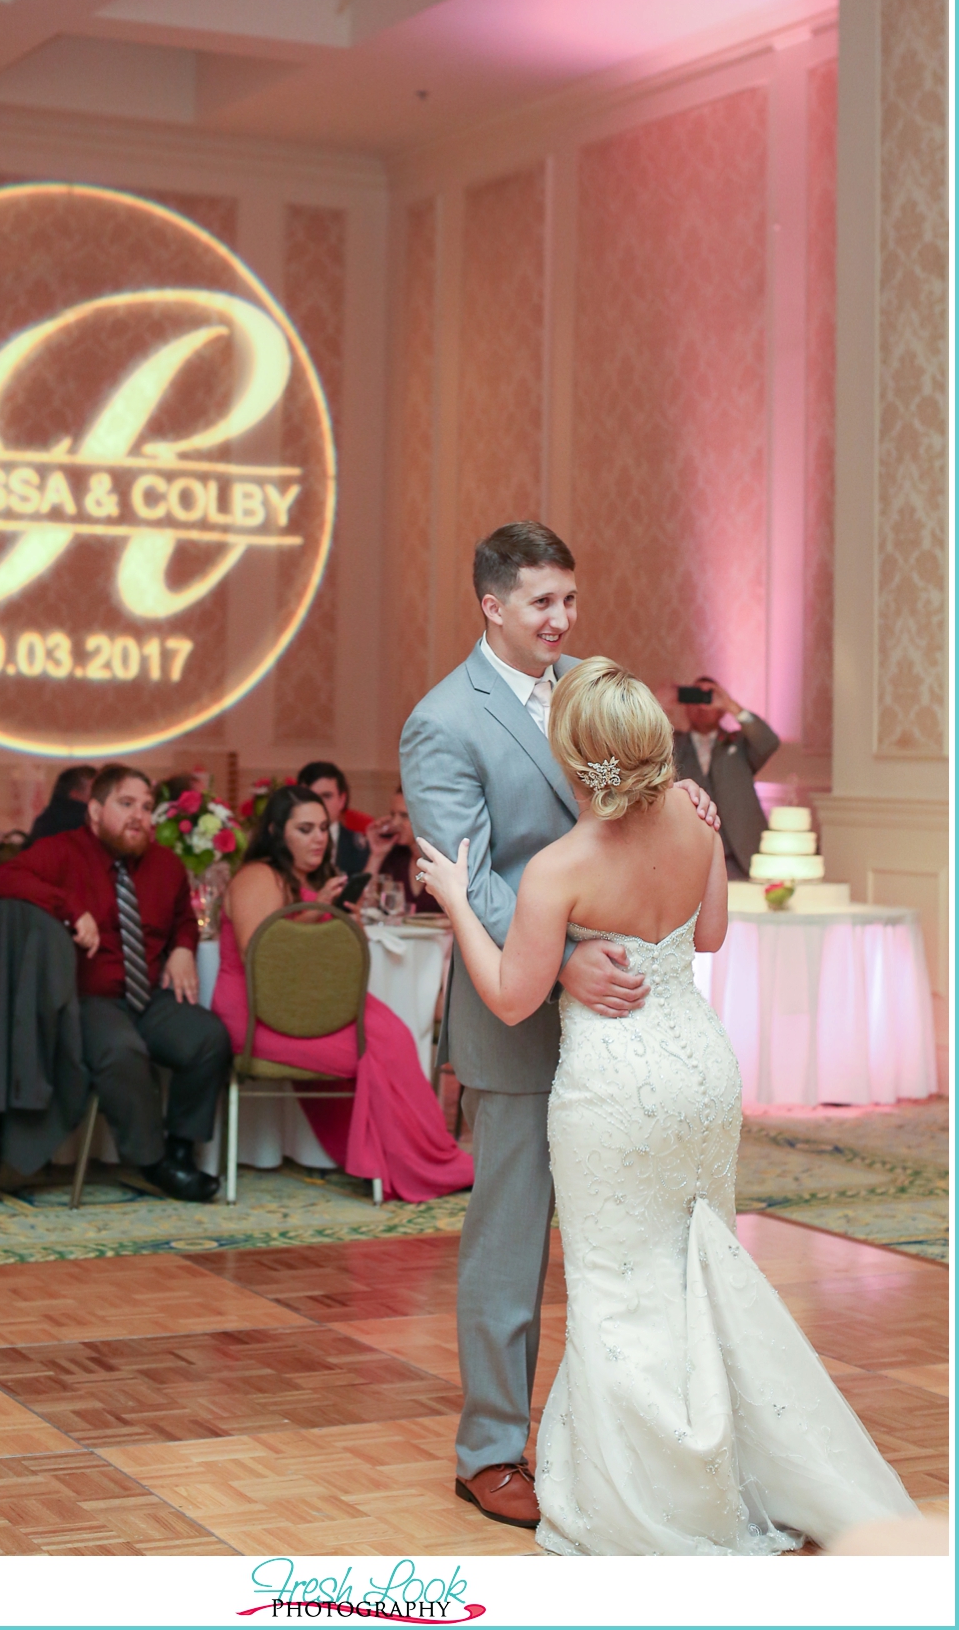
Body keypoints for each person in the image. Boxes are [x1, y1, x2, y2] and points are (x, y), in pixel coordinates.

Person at [416, 658, 917, 1555]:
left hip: (613, 1088)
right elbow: (714, 934)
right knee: (698, 1267)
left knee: (617, 1283)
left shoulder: (558, 867)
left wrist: (456, 900)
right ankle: (728, 1459)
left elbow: (508, 996)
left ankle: (654, 1487)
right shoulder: (694, 817)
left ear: (573, 756)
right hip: (701, 1069)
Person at [399, 520, 720, 1530]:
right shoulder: (442, 721)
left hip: (624, 1029)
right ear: (492, 605)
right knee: (511, 1235)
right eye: (542, 602)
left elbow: (639, 814)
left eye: (570, 600)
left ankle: (632, 1438)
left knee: (630, 1232)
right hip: (521, 1011)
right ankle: (492, 1448)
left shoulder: (593, 686)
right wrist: (564, 956)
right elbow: (475, 867)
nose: (563, 619)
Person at [212, 785, 474, 1201]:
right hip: (260, 1014)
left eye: (322, 828)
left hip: (306, 1008)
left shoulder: (308, 879)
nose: (318, 838)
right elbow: (260, 957)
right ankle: (418, 1163)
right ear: (278, 832)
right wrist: (321, 918)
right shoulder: (258, 876)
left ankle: (425, 1157)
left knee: (394, 1037)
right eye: (304, 829)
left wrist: (334, 919)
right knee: (380, 1046)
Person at [0, 764, 231, 1202]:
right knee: (122, 1051)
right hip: (90, 999)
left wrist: (181, 946)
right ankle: (154, 1163)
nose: (139, 815)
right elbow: (4, 878)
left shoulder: (166, 864)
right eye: (126, 804)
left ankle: (180, 1149)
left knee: (209, 1036)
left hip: (150, 999)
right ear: (95, 811)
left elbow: (184, 918)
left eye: (145, 806)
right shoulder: (62, 851)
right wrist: (67, 908)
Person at [672, 677, 780, 878]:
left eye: (708, 697)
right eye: (694, 697)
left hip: (739, 856)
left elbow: (769, 742)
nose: (702, 705)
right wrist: (658, 703)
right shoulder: (672, 744)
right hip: (686, 856)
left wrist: (731, 706)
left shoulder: (738, 743)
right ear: (685, 705)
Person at [363, 784, 445, 916]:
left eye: (404, 816)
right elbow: (364, 907)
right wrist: (377, 855)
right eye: (392, 814)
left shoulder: (445, 860)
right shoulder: (394, 856)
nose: (395, 823)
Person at [295, 762, 369, 878]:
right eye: (311, 796)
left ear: (342, 800)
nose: (319, 804)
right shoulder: (289, 845)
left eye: (327, 796)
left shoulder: (361, 849)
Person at [25, 765, 96, 846]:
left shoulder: (45, 819)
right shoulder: (86, 822)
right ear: (75, 794)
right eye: (95, 791)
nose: (100, 796)